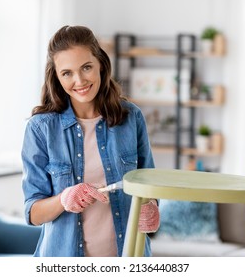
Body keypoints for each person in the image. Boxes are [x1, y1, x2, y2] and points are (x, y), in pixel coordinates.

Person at [21, 25, 159, 257]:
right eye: (67, 73)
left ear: (101, 65)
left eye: (86, 67)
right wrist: (64, 199)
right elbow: (32, 213)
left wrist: (153, 209)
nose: (79, 80)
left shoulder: (131, 117)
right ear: (56, 76)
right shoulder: (40, 129)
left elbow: (149, 185)